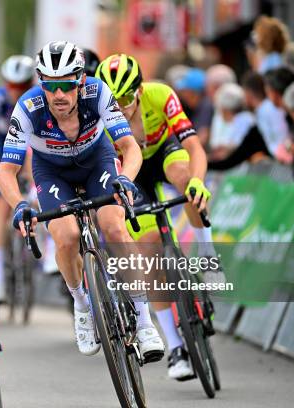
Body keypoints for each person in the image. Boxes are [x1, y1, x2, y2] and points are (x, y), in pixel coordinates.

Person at [0, 41, 165, 360]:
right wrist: (19, 204)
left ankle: (144, 321)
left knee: (114, 228)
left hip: (97, 161)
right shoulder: (28, 108)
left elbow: (129, 148)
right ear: (41, 84)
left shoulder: (99, 93)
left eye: (67, 85)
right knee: (66, 237)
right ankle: (81, 304)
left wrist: (125, 178)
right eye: (51, 85)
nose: (59, 95)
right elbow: (6, 171)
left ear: (81, 81)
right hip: (51, 172)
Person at [96, 53, 219, 380]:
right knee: (148, 252)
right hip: (132, 170)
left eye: (124, 98)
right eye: (112, 99)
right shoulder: (99, 115)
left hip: (164, 151)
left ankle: (207, 254)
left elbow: (194, 147)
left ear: (139, 90)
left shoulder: (161, 95)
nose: (119, 106)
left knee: (183, 176)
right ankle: (176, 346)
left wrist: (197, 181)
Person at [0, 55, 35, 300]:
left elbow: (36, 144)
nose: (16, 91)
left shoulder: (36, 98)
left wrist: (31, 178)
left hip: (30, 148)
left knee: (34, 195)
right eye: (11, 85)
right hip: (4, 148)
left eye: (22, 86)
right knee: (2, 206)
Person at [242, 71, 290, 159]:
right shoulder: (263, 110)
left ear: (248, 93)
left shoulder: (269, 109)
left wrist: (278, 154)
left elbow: (281, 136)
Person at [208, 83, 257, 161]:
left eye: (221, 108)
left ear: (225, 109)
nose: (220, 111)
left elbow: (240, 146)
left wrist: (226, 149)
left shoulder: (246, 120)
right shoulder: (220, 119)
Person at [174, 68, 214, 146]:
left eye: (184, 90)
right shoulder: (193, 107)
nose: (183, 95)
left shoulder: (206, 107)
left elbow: (202, 138)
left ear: (193, 93)